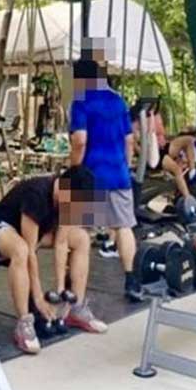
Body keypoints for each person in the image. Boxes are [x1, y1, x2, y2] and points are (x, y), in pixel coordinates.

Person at [0, 166, 107, 355]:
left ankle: (76, 308)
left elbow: (61, 242)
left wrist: (61, 293)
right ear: (64, 188)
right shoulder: (36, 195)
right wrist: (38, 298)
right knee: (21, 251)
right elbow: (31, 252)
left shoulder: (71, 198)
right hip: (6, 226)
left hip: (39, 231)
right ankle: (24, 323)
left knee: (82, 238)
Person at [69, 42, 140, 303]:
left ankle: (74, 287)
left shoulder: (80, 102)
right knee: (123, 227)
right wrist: (125, 166)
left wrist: (73, 169)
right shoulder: (118, 101)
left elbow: (80, 141)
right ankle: (132, 281)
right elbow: (130, 141)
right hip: (118, 174)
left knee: (79, 231)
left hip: (90, 175)